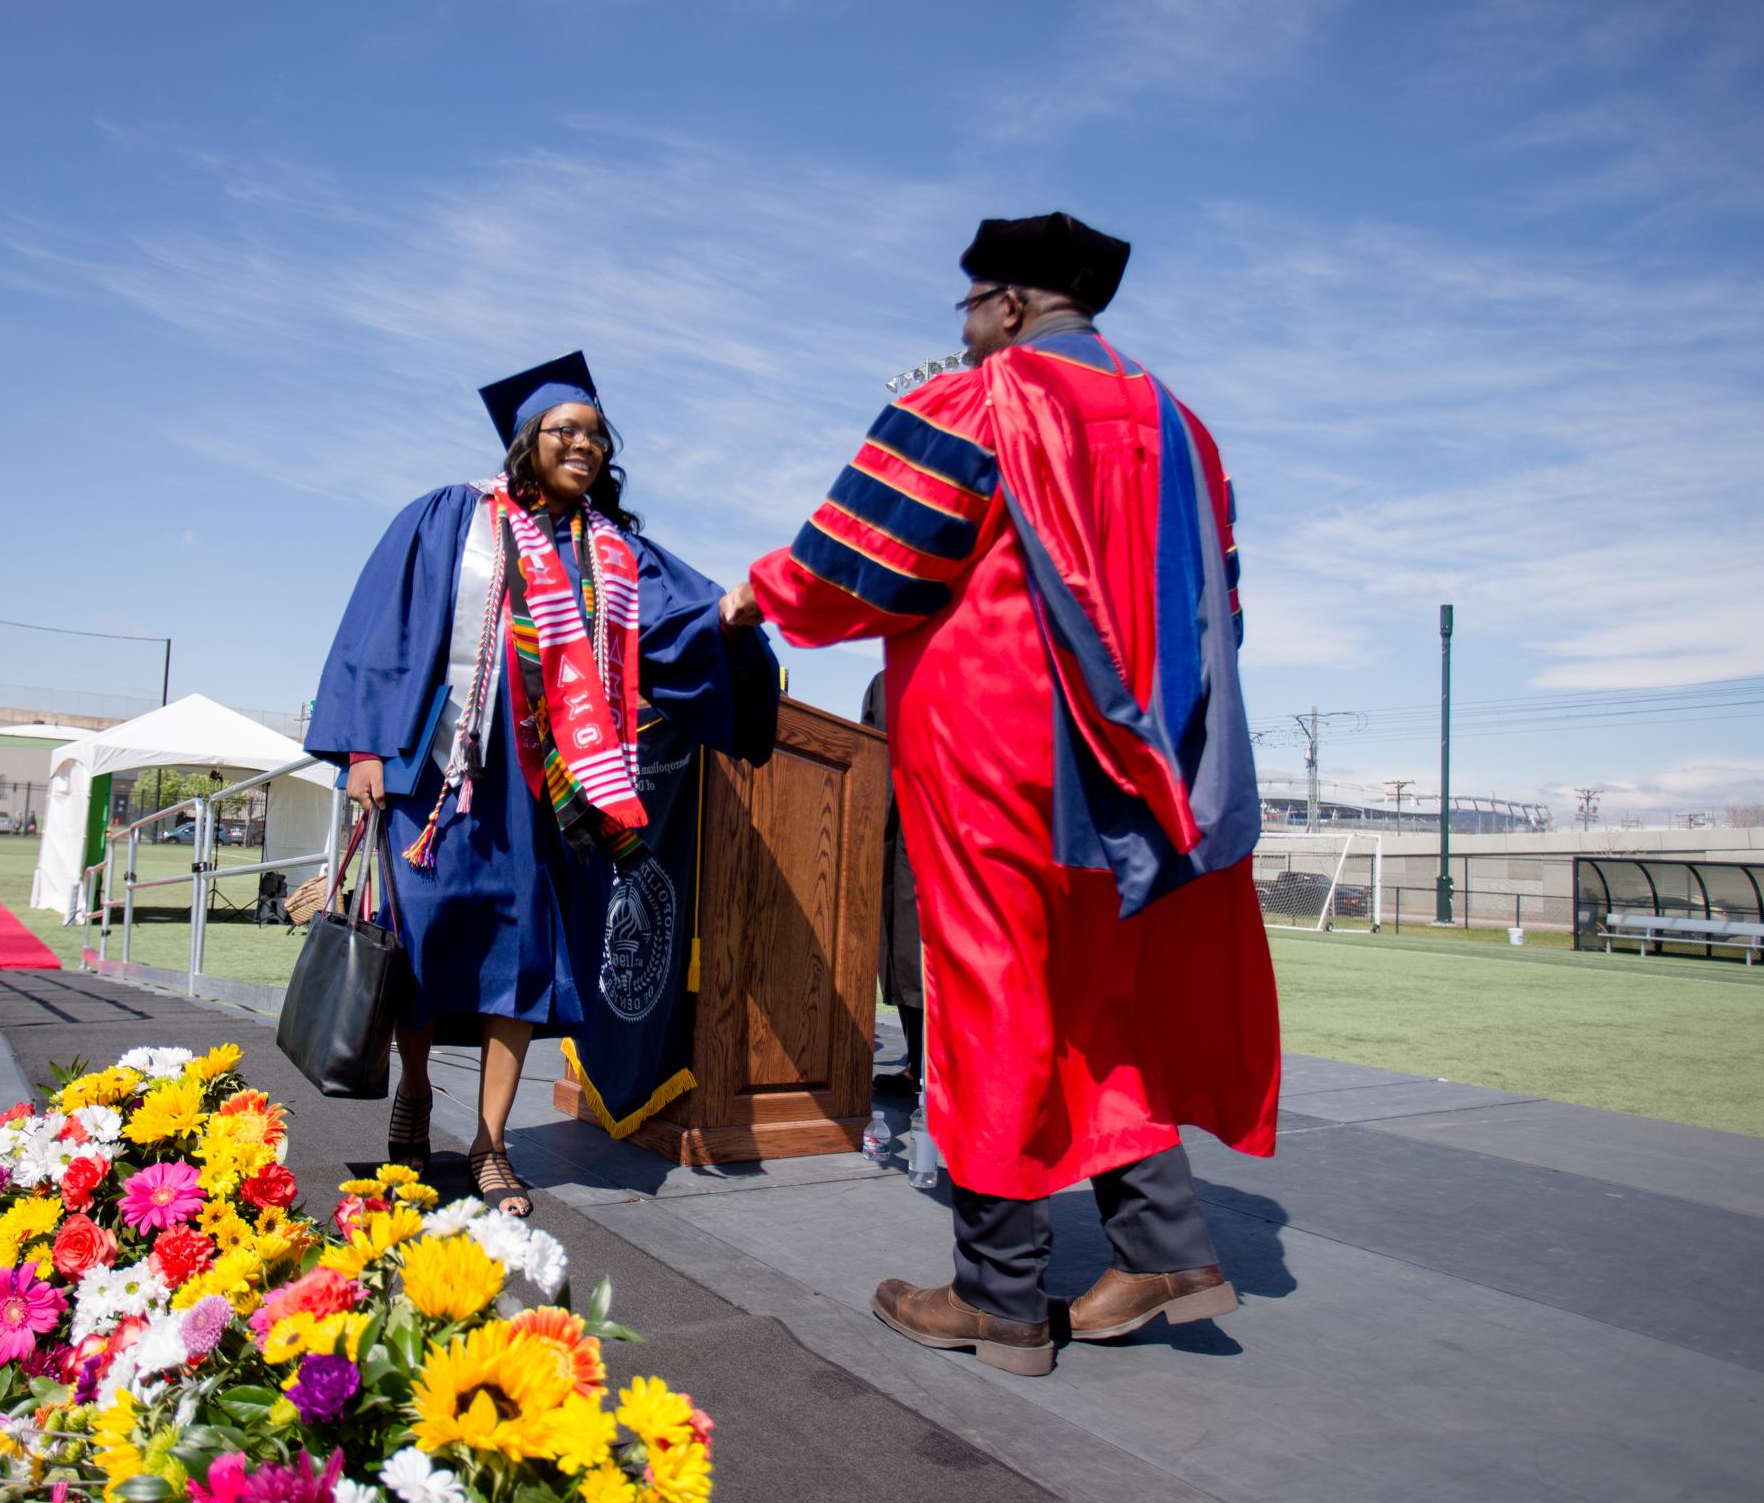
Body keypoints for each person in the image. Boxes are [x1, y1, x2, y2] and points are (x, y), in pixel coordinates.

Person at [722, 213, 1280, 1376]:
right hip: (1140, 765)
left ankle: (1000, 1295)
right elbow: (1219, 595)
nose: (965, 330)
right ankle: (1167, 1247)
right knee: (1094, 1000)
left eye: (970, 308)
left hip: (997, 745)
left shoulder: (981, 399)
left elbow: (861, 561)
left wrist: (762, 593)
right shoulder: (1187, 431)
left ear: (1011, 304)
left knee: (989, 996)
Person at [308, 352, 777, 1217]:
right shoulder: (454, 517)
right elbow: (387, 622)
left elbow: (684, 622)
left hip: (543, 788)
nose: (584, 447)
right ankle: (415, 1092)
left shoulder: (614, 549)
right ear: (528, 442)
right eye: (566, 432)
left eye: (597, 437)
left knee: (519, 960)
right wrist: (365, 747)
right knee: (425, 944)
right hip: (440, 774)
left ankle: (489, 1145)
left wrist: (729, 616)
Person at [860, 672, 923, 1100]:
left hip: (935, 830)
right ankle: (917, 1065)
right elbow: (868, 750)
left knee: (918, 952)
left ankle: (934, 1073)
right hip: (896, 831)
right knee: (900, 954)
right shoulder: (886, 681)